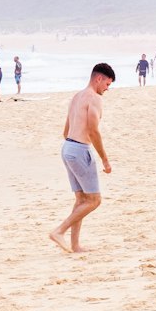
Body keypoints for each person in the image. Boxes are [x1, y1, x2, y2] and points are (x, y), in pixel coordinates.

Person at [50, 62, 115, 254]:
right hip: (79, 149)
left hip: (67, 147)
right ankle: (59, 231)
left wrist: (73, 147)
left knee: (81, 199)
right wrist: (104, 159)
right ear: (99, 78)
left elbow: (65, 130)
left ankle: (75, 245)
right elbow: (93, 131)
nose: (107, 89)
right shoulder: (94, 98)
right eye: (107, 84)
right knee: (94, 200)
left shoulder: (76, 97)